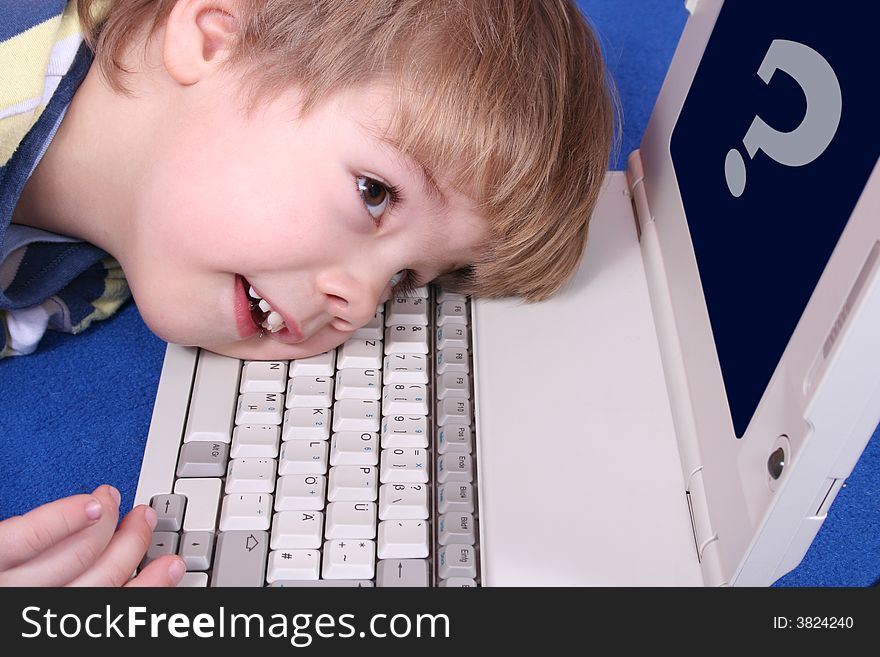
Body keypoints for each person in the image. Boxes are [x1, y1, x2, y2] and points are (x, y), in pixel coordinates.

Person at [0, 0, 616, 585]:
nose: (365, 302)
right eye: (374, 192)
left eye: (406, 278)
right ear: (214, 37)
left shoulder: (94, 274)